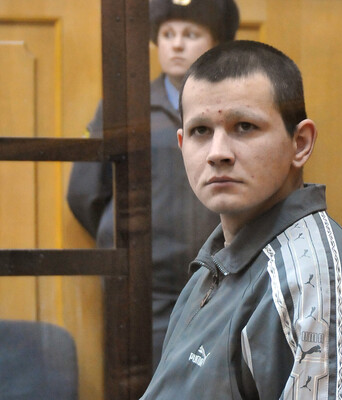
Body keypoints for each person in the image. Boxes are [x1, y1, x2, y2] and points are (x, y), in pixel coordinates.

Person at [140, 40, 342, 400]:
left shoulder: (313, 277)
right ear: (181, 143)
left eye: (244, 126)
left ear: (300, 143)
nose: (217, 153)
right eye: (200, 131)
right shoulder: (211, 267)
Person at [66, 0, 239, 370]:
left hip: (220, 279)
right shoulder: (124, 107)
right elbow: (85, 194)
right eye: (167, 34)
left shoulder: (238, 108)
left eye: (190, 34)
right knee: (138, 379)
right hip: (140, 285)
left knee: (212, 380)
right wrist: (124, 232)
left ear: (216, 41)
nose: (176, 44)